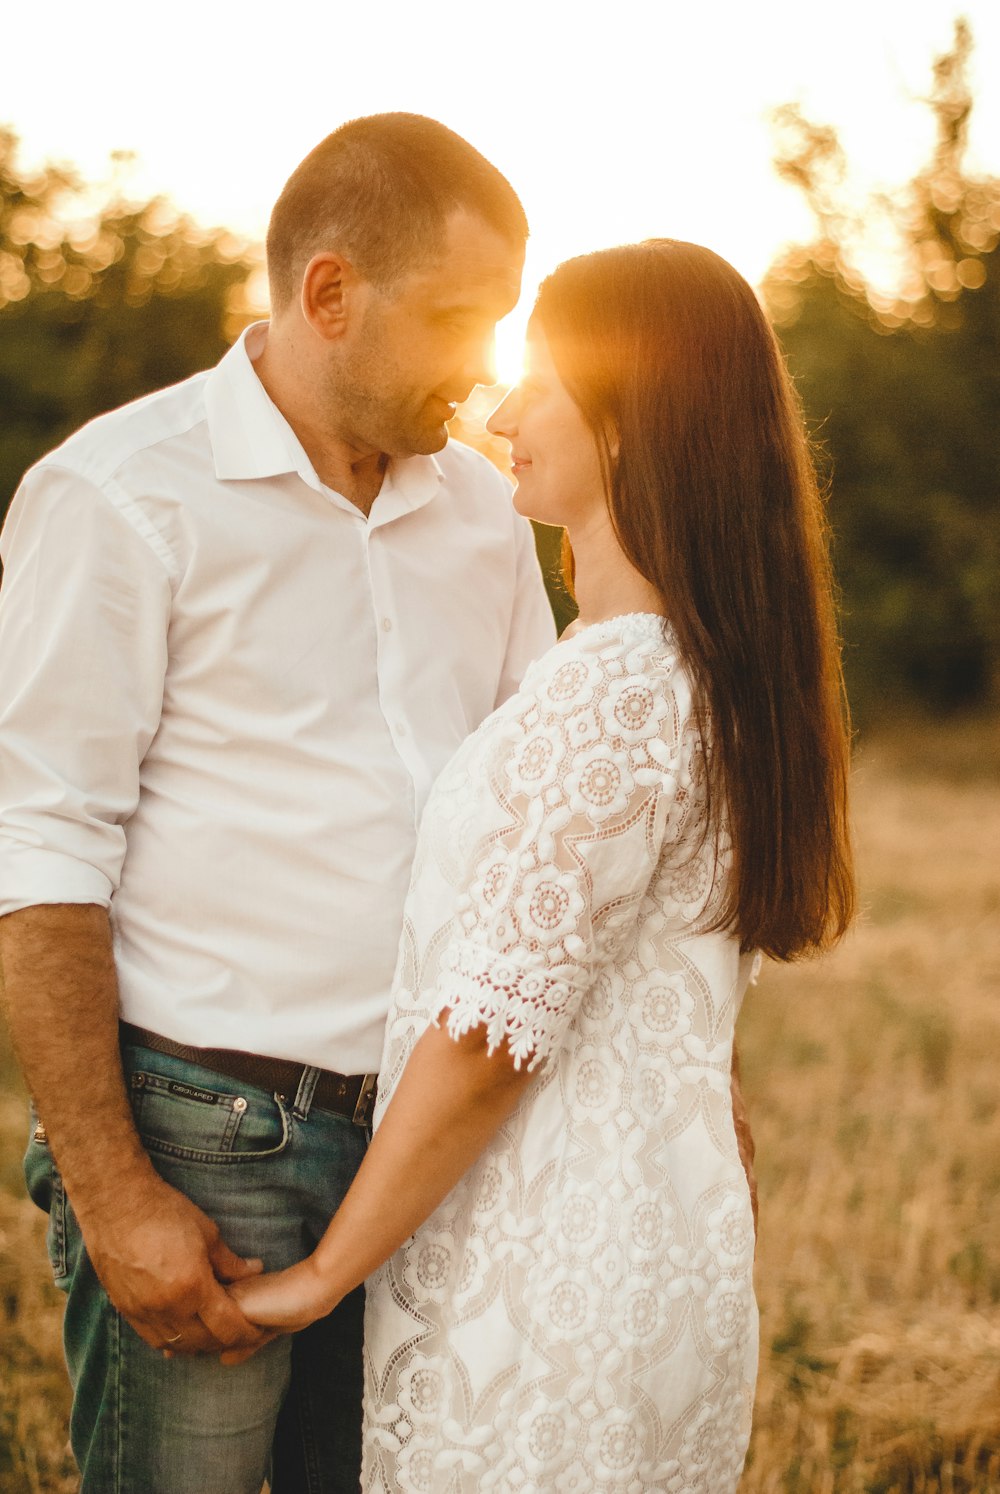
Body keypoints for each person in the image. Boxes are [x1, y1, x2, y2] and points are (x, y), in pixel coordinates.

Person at [222, 239, 856, 1492]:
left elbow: (489, 1038)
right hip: (655, 1242)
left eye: (539, 382)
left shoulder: (616, 687)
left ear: (631, 419)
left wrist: (319, 1276)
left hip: (549, 1268)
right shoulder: (711, 673)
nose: (503, 413)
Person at [0, 114, 554, 1494]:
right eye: (455, 320)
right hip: (204, 1140)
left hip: (423, 1154)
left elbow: (538, 811)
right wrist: (119, 1195)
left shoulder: (484, 518)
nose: (484, 371)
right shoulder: (120, 500)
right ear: (328, 294)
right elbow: (42, 847)